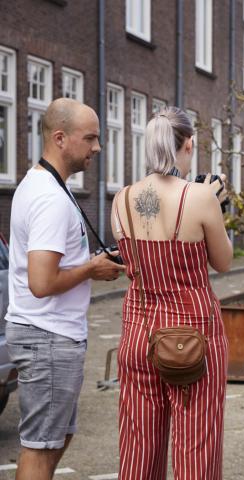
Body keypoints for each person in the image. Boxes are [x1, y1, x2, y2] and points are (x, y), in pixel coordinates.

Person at [5, 98, 125, 480]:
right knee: (40, 448)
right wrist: (91, 267)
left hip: (47, 335)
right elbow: (41, 282)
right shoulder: (50, 198)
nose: (97, 147)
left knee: (55, 440)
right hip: (48, 337)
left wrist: (90, 260)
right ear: (60, 138)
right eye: (90, 138)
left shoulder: (42, 183)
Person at [110, 107, 232, 479]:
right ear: (189, 144)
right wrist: (216, 202)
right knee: (197, 447)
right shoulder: (200, 197)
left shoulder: (121, 199)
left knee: (138, 447)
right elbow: (224, 261)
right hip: (192, 337)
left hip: (138, 333)